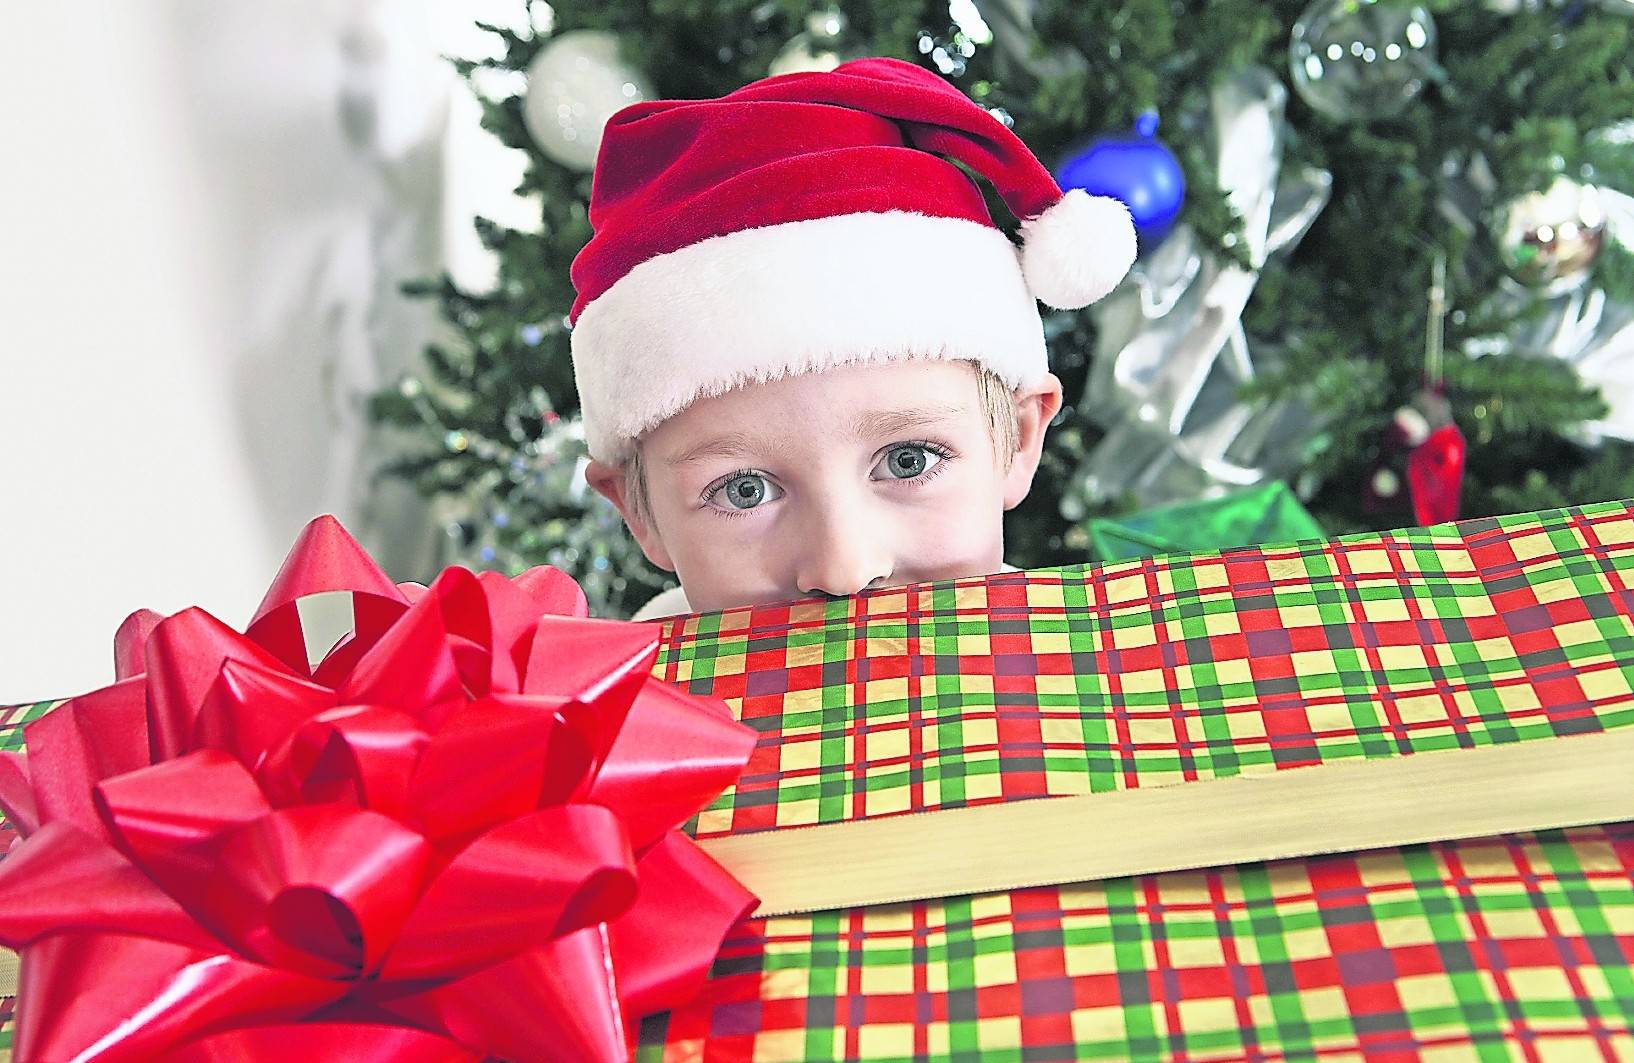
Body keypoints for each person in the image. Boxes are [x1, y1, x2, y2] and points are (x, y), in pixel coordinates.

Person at [568, 56, 1136, 620]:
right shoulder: (630, 705)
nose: (845, 572)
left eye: (910, 460)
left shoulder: (1093, 689)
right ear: (639, 515)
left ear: (1017, 439)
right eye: (743, 490)